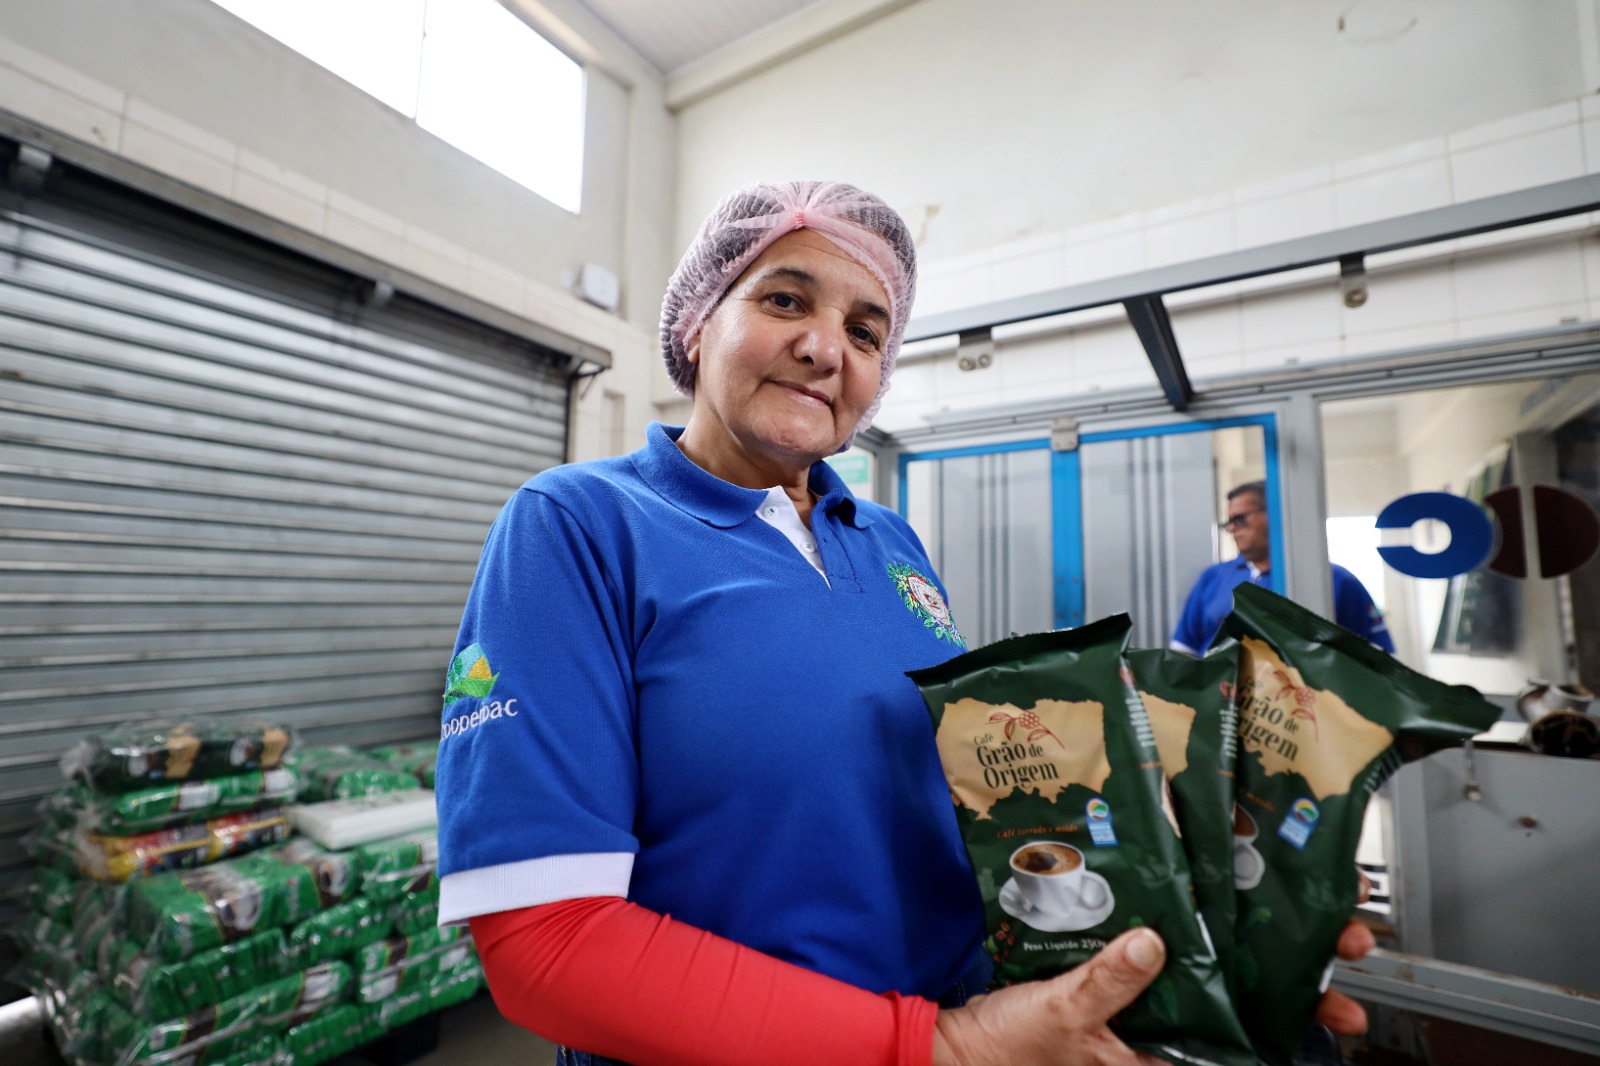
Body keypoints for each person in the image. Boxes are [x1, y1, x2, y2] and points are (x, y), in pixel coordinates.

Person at [436, 181, 1374, 1066]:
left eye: (866, 329)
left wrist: (1177, 884)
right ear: (697, 321)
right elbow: (547, 942)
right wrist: (941, 1049)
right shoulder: (581, 524)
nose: (824, 347)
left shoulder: (885, 540)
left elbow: (940, 803)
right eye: (785, 300)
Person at [1171, 481, 1395, 658]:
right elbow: (1184, 649)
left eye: (1240, 519)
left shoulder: (1335, 580)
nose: (1232, 529)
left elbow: (1379, 656)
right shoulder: (1213, 578)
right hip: (1225, 708)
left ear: (1274, 513)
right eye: (1228, 522)